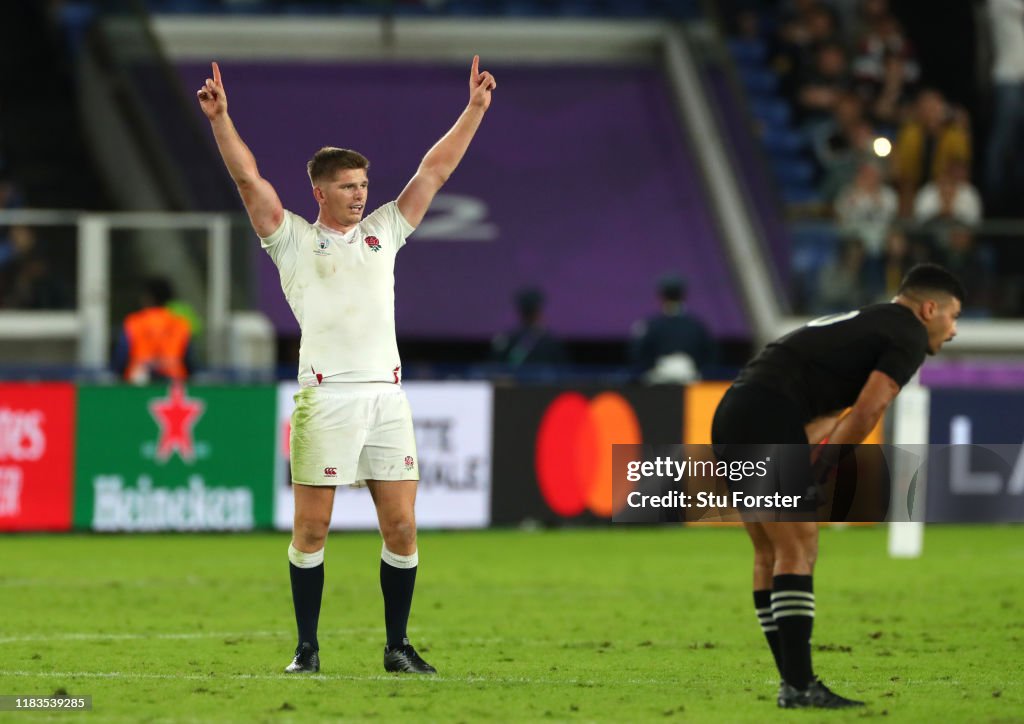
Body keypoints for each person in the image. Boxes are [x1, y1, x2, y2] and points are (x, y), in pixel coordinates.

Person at [198, 57, 495, 675]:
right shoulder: (293, 241)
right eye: (348, 186)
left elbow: (433, 171)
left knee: (403, 527)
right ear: (320, 191)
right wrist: (222, 121)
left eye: (363, 184)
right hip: (326, 397)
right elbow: (250, 182)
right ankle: (306, 649)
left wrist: (473, 111)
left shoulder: (384, 230)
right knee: (311, 530)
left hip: (387, 397)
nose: (361, 194)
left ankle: (397, 646)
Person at [711, 263, 962, 709]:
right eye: (953, 316)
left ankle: (794, 683)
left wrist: (808, 455)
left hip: (738, 408)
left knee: (770, 551)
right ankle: (800, 686)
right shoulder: (906, 335)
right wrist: (826, 465)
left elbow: (825, 409)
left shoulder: (867, 324)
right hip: (765, 413)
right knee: (799, 545)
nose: (955, 329)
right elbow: (867, 412)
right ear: (928, 309)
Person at [630, 274, 716, 383]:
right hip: (689, 379)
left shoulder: (651, 325)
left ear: (661, 296)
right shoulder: (697, 325)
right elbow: (710, 353)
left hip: (661, 382)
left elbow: (638, 353)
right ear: (683, 295)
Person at [114, 276, 193, 384]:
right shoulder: (180, 324)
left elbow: (121, 358)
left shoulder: (134, 322)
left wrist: (118, 375)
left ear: (147, 297)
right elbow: (189, 360)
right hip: (174, 383)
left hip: (137, 382)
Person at [491, 286, 567, 367]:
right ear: (538, 311)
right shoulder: (550, 342)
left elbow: (495, 369)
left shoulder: (506, 339)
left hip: (515, 379)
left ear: (520, 312)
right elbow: (563, 371)